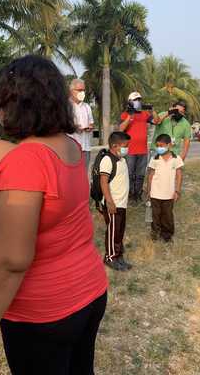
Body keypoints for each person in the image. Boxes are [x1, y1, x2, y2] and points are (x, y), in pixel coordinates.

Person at [0, 55, 108, 375]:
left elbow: (10, 262)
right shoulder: (67, 146)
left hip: (44, 314)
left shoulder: (27, 163)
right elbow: (17, 156)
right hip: (89, 293)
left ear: (12, 104)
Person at [100, 131, 133, 271]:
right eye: (124, 146)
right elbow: (103, 181)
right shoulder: (107, 160)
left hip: (121, 204)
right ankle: (110, 257)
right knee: (113, 231)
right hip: (113, 204)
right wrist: (109, 202)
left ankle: (119, 255)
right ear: (114, 146)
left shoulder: (122, 159)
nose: (127, 148)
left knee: (119, 231)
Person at [119, 92, 159, 202]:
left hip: (142, 150)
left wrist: (152, 111)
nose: (139, 102)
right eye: (136, 99)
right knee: (130, 174)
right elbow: (121, 129)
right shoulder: (125, 114)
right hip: (130, 150)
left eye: (140, 99)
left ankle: (138, 193)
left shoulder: (145, 114)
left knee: (140, 174)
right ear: (130, 102)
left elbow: (156, 121)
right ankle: (131, 194)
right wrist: (130, 117)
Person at [146, 134, 184, 243]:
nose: (159, 148)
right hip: (155, 194)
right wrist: (149, 191)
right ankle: (155, 234)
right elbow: (150, 175)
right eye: (157, 146)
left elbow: (179, 175)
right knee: (156, 216)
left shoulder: (176, 159)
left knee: (167, 216)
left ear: (169, 145)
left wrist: (177, 191)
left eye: (161, 145)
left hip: (169, 194)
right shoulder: (155, 159)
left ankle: (167, 236)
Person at [69, 78, 95, 171]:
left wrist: (90, 127)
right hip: (71, 148)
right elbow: (62, 124)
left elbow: (91, 123)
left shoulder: (87, 106)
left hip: (86, 146)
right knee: (71, 175)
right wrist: (74, 127)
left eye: (84, 90)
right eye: (79, 90)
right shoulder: (66, 106)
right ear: (71, 91)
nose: (82, 92)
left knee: (84, 175)